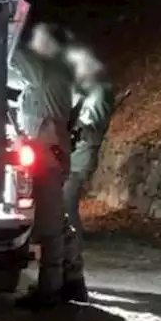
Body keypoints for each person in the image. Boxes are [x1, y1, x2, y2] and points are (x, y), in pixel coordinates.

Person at [9, 22, 77, 310]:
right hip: (52, 150)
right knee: (56, 220)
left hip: (48, 153)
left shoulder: (47, 71)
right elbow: (16, 77)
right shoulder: (52, 72)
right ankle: (72, 280)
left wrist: (6, 30)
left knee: (50, 223)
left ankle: (51, 290)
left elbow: (14, 57)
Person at [60, 44, 116, 303]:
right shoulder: (84, 89)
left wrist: (65, 124)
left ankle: (72, 273)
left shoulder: (98, 91)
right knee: (62, 211)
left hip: (78, 157)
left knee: (66, 210)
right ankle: (67, 272)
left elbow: (88, 126)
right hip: (71, 156)